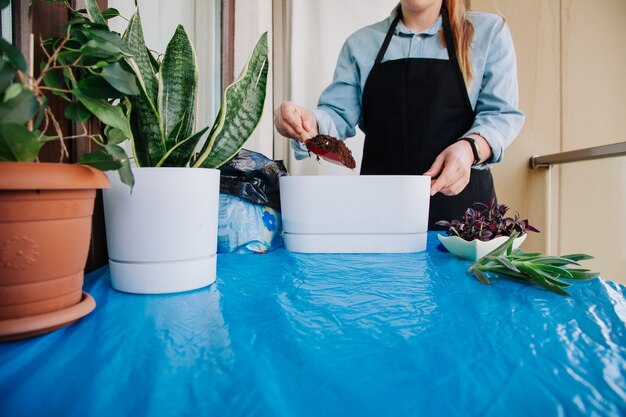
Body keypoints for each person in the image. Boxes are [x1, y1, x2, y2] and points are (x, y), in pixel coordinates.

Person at [274, 0, 524, 229]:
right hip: (381, 215)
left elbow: (500, 114)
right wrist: (306, 122)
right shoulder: (360, 44)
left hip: (466, 219)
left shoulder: (489, 32)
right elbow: (337, 115)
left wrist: (469, 149)